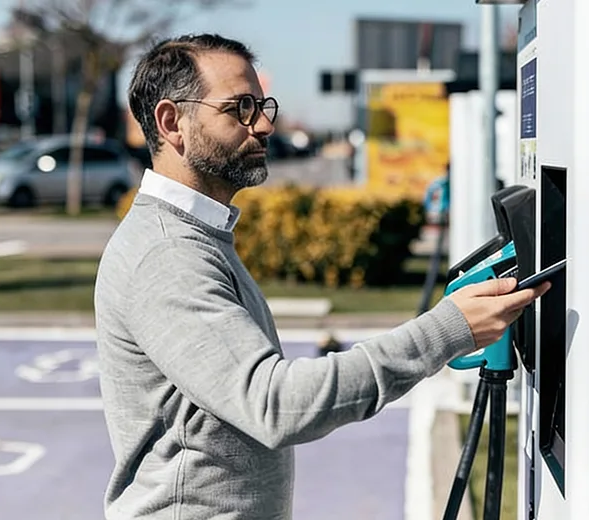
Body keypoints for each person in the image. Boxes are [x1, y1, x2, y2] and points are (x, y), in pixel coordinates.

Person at [93, 33, 549, 520]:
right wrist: (448, 329)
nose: (264, 123)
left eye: (262, 105)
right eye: (240, 108)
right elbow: (276, 404)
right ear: (171, 123)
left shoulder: (196, 236)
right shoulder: (167, 253)